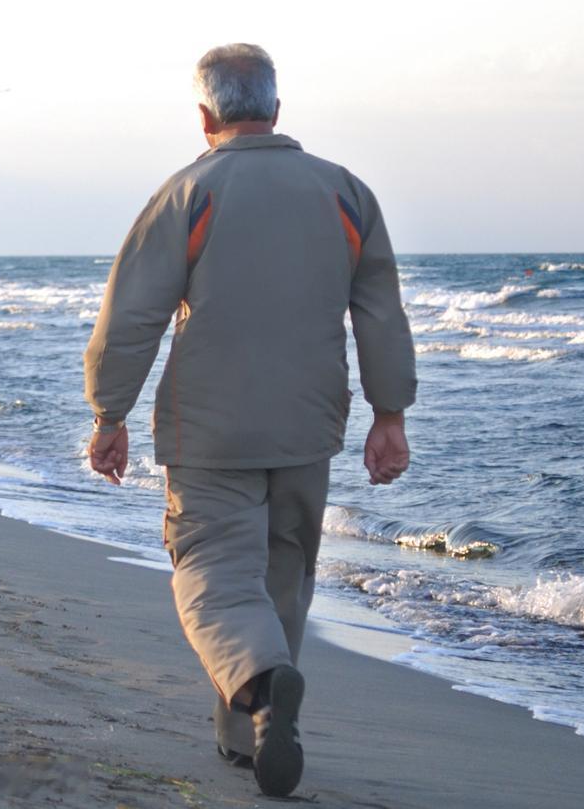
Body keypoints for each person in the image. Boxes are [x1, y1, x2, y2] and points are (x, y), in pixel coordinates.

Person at [83, 43, 415, 798]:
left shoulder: (187, 192)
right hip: (308, 422)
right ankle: (246, 737)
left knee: (211, 568)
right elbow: (380, 313)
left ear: (204, 114)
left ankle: (263, 690)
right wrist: (388, 414)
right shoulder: (346, 193)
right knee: (284, 572)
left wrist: (109, 413)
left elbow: (130, 315)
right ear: (275, 106)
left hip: (209, 427)